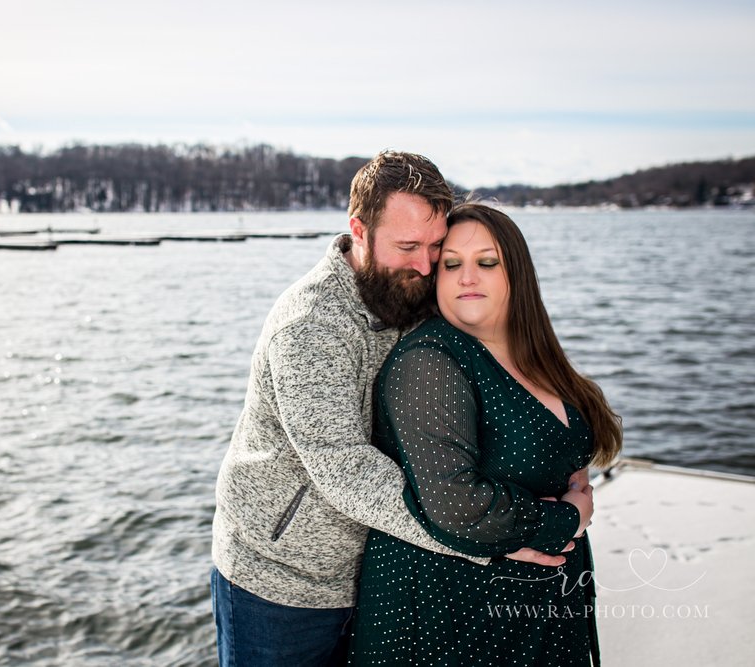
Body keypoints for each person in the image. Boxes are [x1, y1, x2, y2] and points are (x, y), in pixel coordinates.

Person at [211, 153, 588, 666]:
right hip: (284, 582)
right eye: (407, 246)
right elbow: (344, 469)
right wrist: (486, 541)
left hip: (382, 565)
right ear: (359, 232)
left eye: (436, 247)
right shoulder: (310, 326)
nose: (426, 264)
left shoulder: (417, 286)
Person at [347, 203, 622, 666]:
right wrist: (566, 520)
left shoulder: (535, 356)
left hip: (540, 608)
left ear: (517, 272)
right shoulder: (431, 362)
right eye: (451, 264)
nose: (466, 277)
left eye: (486, 262)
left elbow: (566, 443)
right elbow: (458, 504)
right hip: (448, 617)